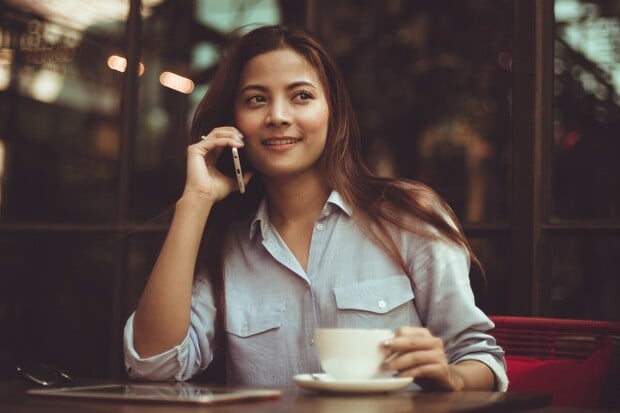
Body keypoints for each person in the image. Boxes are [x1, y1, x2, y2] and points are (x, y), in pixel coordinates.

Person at [123, 24, 508, 391]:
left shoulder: (406, 216)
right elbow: (152, 365)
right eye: (257, 99)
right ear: (234, 122)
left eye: (301, 96)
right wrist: (195, 202)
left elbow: (480, 358)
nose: (277, 116)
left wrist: (452, 377)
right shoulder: (227, 244)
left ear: (332, 112)